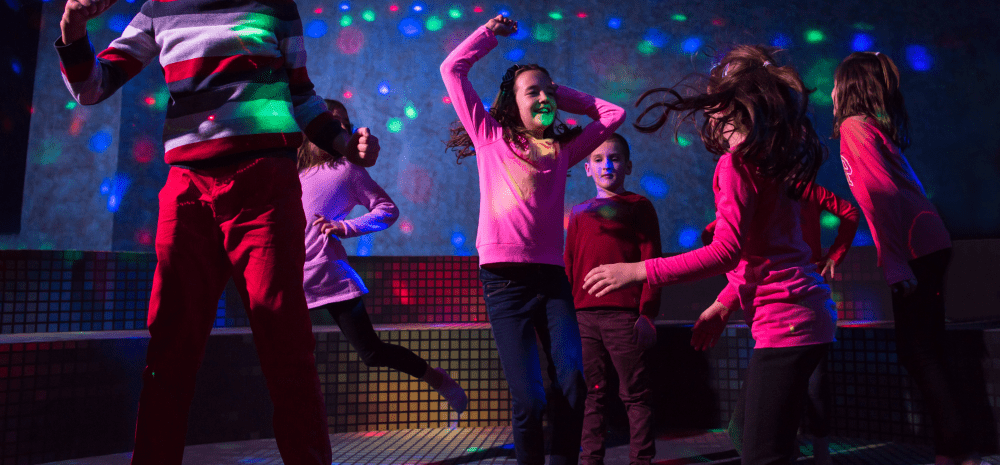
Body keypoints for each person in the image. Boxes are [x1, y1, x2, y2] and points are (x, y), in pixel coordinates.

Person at [55, 0, 379, 463]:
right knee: (170, 347)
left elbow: (302, 97)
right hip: (189, 190)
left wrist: (346, 144)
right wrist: (72, 25)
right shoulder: (158, 9)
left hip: (265, 187)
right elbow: (91, 86)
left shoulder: (275, 7)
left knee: (285, 341)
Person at [583, 45, 835, 464]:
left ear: (724, 106)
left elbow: (726, 252)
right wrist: (723, 304)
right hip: (805, 317)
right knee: (746, 432)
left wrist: (640, 271)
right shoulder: (770, 161)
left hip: (789, 321)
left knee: (761, 453)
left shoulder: (738, 165)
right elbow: (761, 253)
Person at [441, 14, 625, 465]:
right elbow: (452, 70)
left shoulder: (563, 151)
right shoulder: (490, 137)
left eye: (549, 92)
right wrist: (487, 35)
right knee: (529, 401)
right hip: (504, 283)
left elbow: (612, 114)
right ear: (513, 103)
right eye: (533, 92)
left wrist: (561, 92)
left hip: (551, 281)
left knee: (573, 383)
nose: (544, 98)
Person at [832, 51, 980, 465]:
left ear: (848, 88)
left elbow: (883, 198)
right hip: (929, 242)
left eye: (836, 82)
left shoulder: (853, 128)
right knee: (924, 350)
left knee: (920, 352)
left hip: (917, 248)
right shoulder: (870, 128)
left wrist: (895, 263)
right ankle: (954, 451)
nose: (830, 90)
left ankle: (958, 452)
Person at [299, 99, 467, 415]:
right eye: (326, 123)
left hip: (329, 276)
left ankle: (436, 379)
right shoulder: (296, 174)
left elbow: (387, 210)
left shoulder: (348, 169)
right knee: (290, 355)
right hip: (293, 279)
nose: (335, 128)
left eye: (341, 123)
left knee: (372, 353)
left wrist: (344, 227)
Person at [705, 181, 859, 465]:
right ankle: (794, 452)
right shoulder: (754, 188)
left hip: (798, 307)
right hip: (777, 313)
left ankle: (818, 455)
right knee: (748, 431)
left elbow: (849, 212)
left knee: (812, 386)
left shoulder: (801, 188)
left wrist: (834, 256)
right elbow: (726, 242)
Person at [565, 133, 662, 465]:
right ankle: (590, 460)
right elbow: (569, 265)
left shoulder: (639, 207)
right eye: (598, 159)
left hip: (624, 317)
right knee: (593, 395)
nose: (607, 164)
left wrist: (647, 314)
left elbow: (652, 263)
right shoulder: (578, 213)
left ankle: (641, 461)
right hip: (583, 318)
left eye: (615, 158)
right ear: (587, 169)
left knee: (635, 394)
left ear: (628, 166)